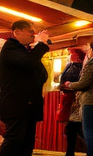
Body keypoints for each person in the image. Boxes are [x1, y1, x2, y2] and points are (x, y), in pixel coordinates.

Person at [0, 20, 49, 156]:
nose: (33, 36)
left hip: (29, 105)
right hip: (16, 104)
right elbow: (28, 63)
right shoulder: (10, 48)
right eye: (31, 32)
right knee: (14, 140)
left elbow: (42, 75)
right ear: (17, 32)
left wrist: (36, 50)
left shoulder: (25, 51)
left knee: (27, 142)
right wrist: (41, 45)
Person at [57, 48, 85, 156]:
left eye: (73, 53)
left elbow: (83, 82)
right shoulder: (69, 66)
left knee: (74, 128)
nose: (71, 55)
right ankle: (70, 152)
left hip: (78, 100)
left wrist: (71, 85)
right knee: (70, 128)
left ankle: (71, 152)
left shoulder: (84, 67)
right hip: (68, 99)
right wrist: (64, 86)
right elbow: (62, 80)